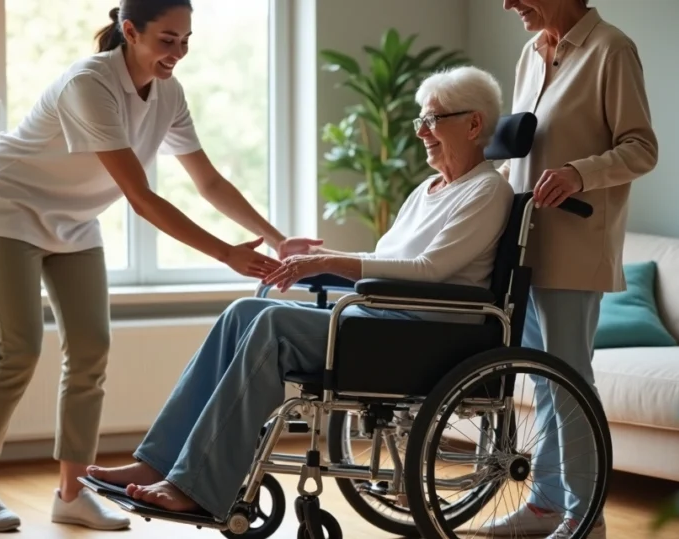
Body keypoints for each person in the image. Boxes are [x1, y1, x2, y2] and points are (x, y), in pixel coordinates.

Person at [0, 0, 323, 532]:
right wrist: (226, 253)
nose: (179, 52)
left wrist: (278, 240)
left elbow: (208, 181)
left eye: (186, 39)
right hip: (10, 209)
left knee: (91, 350)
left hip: (74, 222)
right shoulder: (90, 84)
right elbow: (140, 197)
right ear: (130, 31)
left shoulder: (167, 93)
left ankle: (72, 492)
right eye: (167, 40)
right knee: (19, 349)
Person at [84, 65, 515, 522]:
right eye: (420, 121)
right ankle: (156, 461)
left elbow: (430, 270)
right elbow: (387, 260)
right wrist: (322, 259)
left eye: (434, 119)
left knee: (273, 323)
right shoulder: (428, 190)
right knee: (244, 311)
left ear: (473, 124)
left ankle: (195, 484)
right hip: (387, 323)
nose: (423, 132)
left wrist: (327, 261)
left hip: (428, 335)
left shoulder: (487, 191)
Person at [487, 1, 659, 538]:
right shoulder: (530, 54)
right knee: (540, 384)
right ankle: (544, 505)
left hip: (575, 249)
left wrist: (579, 174)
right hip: (524, 249)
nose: (509, 4)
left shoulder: (611, 49)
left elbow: (642, 148)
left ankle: (587, 518)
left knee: (569, 385)